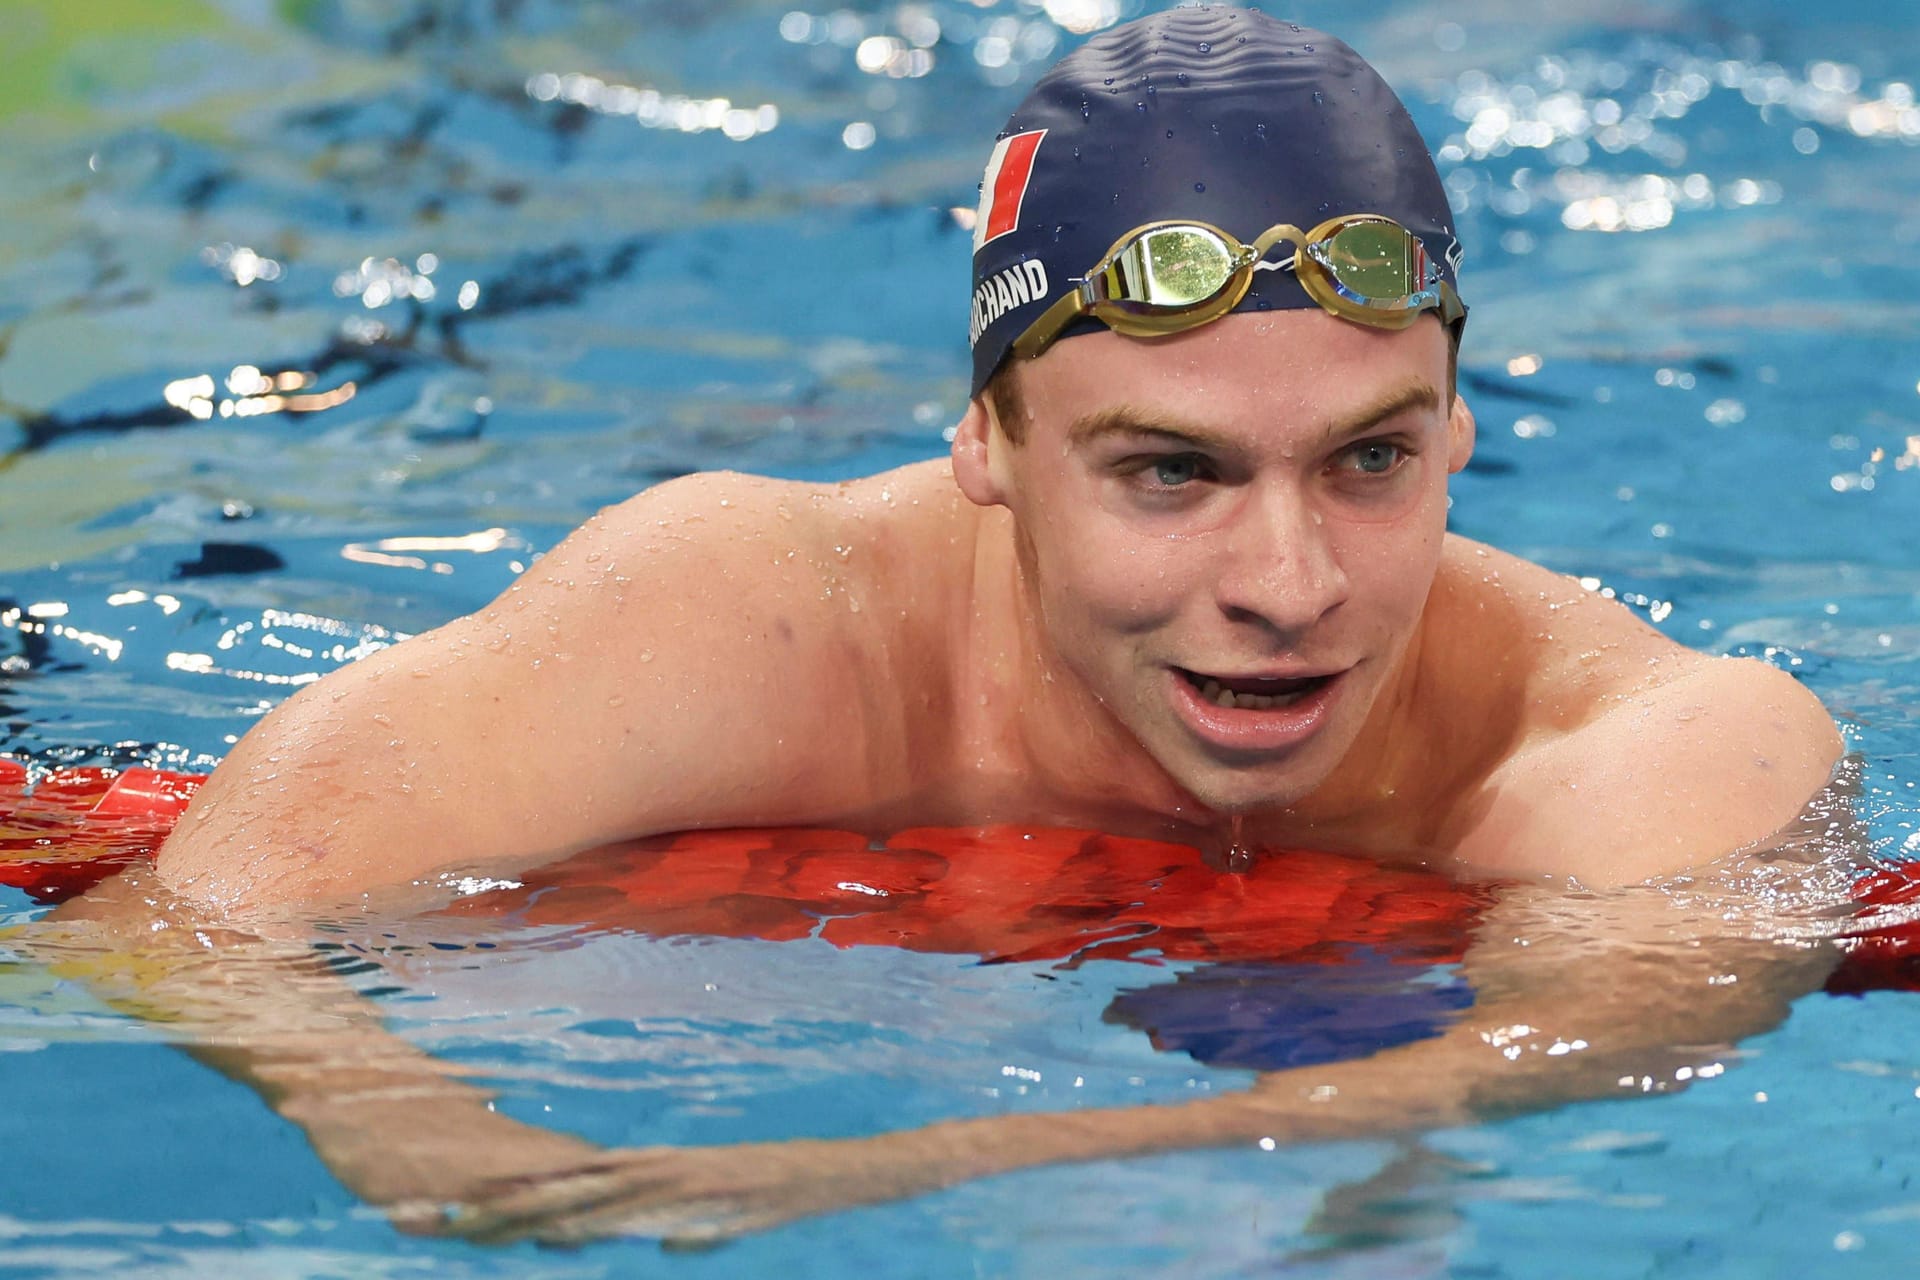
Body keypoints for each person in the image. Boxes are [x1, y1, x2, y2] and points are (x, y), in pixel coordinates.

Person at [37, 5, 1852, 1245]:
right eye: (1169, 474)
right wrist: (465, 1161)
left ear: (1461, 434)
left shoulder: (1658, 753)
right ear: (985, 443)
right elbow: (190, 918)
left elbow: (1537, 1074)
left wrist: (890, 1172)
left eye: (1371, 461)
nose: (1290, 586)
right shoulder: (751, 619)